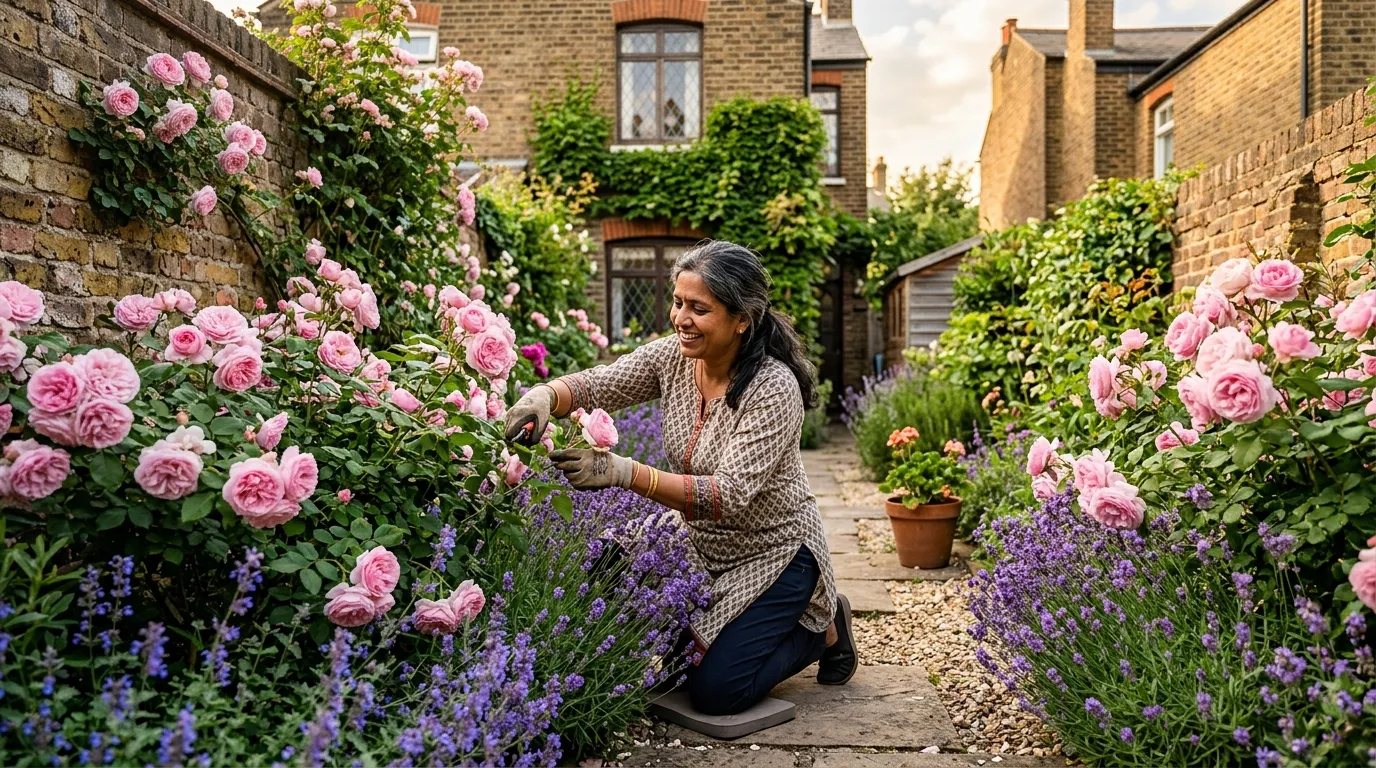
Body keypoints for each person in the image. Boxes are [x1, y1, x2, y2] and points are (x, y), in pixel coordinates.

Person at [504, 240, 856, 717]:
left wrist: (621, 471)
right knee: (602, 563)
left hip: (774, 550)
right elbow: (601, 383)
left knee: (716, 693)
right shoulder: (675, 358)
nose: (681, 318)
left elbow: (728, 496)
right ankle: (709, 634)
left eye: (699, 308)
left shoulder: (772, 389)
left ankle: (823, 627)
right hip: (698, 540)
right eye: (678, 302)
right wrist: (544, 396)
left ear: (741, 319)